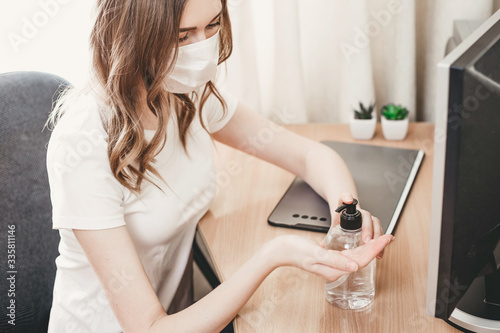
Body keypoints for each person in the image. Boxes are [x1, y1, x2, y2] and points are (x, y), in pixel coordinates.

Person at [45, 0, 394, 332]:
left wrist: (345, 212)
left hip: (187, 314)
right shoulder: (83, 142)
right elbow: (149, 328)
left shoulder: (183, 91)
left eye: (212, 25)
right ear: (134, 33)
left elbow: (309, 155)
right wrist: (276, 254)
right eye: (183, 36)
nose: (202, 48)